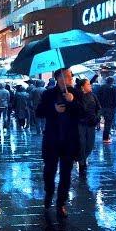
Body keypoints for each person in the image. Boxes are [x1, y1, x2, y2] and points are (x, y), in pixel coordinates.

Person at [35, 68, 82, 218]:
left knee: (66, 173)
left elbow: (83, 113)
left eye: (70, 76)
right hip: (52, 140)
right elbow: (39, 112)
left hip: (69, 141)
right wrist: (53, 109)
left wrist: (72, 101)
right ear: (58, 78)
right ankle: (49, 193)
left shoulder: (76, 93)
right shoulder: (48, 94)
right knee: (49, 171)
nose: (70, 78)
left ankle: (61, 203)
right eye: (67, 76)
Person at [76, 77, 101, 178]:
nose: (90, 86)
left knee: (90, 144)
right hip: (80, 124)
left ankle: (83, 158)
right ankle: (81, 161)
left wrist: (98, 117)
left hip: (91, 123)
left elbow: (98, 108)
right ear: (82, 87)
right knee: (82, 143)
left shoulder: (93, 96)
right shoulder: (77, 97)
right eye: (88, 84)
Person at [97, 76, 116, 144]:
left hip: (102, 107)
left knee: (103, 122)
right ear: (112, 81)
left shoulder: (101, 87)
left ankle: (106, 136)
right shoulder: (114, 88)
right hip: (110, 108)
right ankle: (105, 138)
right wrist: (115, 106)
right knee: (108, 123)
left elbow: (98, 97)